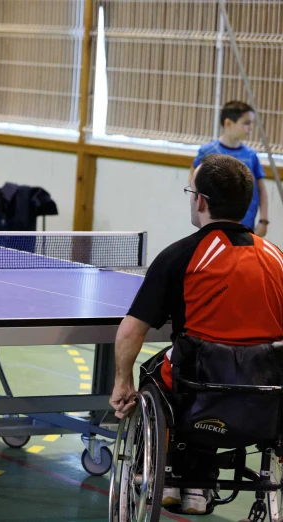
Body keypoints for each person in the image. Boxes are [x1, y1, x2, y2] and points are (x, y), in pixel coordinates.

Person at [110, 154, 283, 515]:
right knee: (207, 366)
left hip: (197, 393)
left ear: (201, 200)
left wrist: (122, 382)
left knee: (157, 374)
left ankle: (170, 477)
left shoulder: (181, 256)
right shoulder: (276, 259)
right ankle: (196, 483)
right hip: (264, 400)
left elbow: (131, 331)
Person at [190, 100, 269, 237]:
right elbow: (193, 181)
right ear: (228, 123)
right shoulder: (208, 151)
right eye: (246, 123)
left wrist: (264, 220)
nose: (250, 128)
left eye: (251, 123)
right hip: (213, 225)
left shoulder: (251, 156)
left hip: (245, 225)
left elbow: (261, 190)